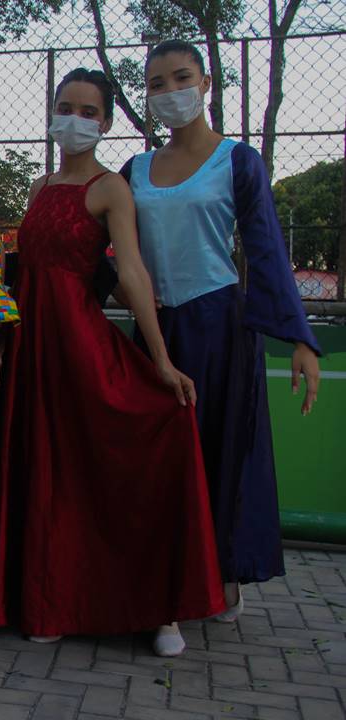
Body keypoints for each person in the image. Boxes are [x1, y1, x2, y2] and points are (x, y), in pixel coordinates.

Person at [0, 68, 225, 657]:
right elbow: (21, 276)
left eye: (89, 110)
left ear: (108, 122)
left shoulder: (112, 187)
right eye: (66, 106)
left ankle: (159, 610)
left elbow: (131, 271)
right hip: (33, 349)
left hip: (82, 346)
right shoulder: (39, 189)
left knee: (121, 460)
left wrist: (160, 358)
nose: (76, 118)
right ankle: (50, 599)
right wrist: (0, 340)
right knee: (51, 477)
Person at [124, 40, 321, 619]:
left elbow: (265, 249)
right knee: (156, 457)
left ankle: (220, 575)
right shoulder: (134, 170)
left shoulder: (237, 161)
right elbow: (109, 256)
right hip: (156, 328)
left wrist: (301, 338)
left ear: (206, 84)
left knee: (223, 448)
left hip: (220, 324)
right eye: (156, 83)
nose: (169, 92)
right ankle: (158, 575)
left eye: (180, 78)